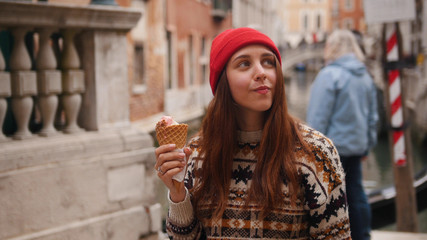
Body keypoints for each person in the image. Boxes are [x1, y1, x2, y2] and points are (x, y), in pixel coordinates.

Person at [155, 27, 351, 239]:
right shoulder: (195, 153)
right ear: (223, 80)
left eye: (268, 62)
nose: (261, 72)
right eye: (244, 64)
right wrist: (177, 194)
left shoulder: (316, 153)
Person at [306, 29, 379, 240]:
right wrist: (367, 146)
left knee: (327, 198)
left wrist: (311, 151)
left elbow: (318, 118)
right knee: (356, 192)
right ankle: (362, 235)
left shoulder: (329, 75)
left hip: (332, 149)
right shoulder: (365, 76)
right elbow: (372, 118)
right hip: (357, 147)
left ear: (333, 48)